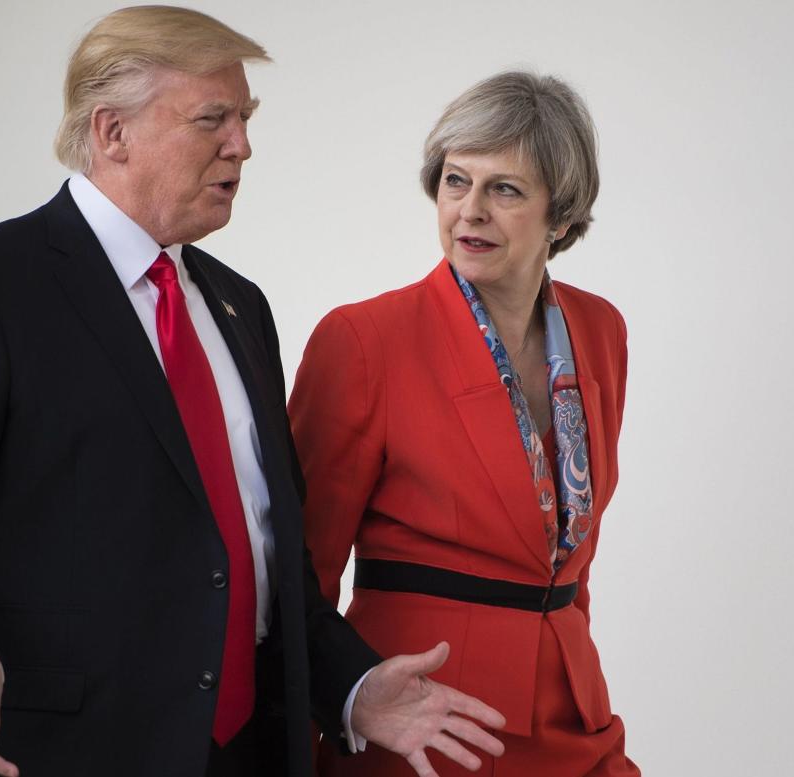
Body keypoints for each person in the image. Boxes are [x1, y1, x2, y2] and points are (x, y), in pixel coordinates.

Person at [0, 6, 506, 777]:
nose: (242, 144)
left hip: (239, 754)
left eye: (244, 117)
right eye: (213, 119)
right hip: (47, 752)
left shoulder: (240, 306)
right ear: (111, 133)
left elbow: (266, 563)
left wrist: (352, 685)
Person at [289, 71, 641, 776]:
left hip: (575, 716)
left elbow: (571, 548)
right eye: (455, 181)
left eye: (504, 189)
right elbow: (299, 580)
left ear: (562, 216)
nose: (469, 210)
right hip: (422, 721)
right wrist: (301, 746)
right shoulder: (363, 339)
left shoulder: (599, 329)